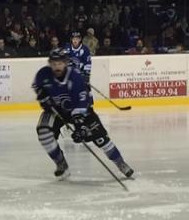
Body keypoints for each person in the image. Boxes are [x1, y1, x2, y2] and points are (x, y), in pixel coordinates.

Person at [32, 49, 134, 179]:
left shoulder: (75, 77)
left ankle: (120, 163)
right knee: (43, 132)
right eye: (54, 63)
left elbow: (81, 104)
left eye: (60, 63)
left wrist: (81, 128)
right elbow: (38, 88)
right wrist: (43, 97)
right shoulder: (43, 74)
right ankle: (61, 164)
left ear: (65, 63)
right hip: (56, 111)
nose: (57, 67)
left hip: (80, 110)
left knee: (101, 139)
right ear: (50, 63)